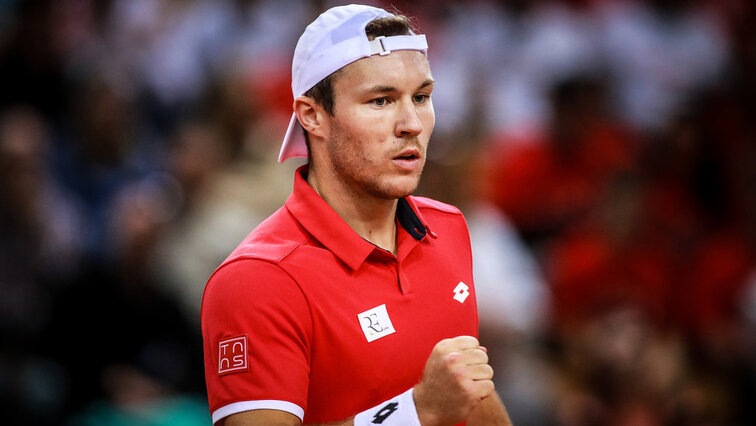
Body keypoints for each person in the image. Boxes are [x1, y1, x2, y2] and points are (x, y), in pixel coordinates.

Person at [201, 4, 513, 425]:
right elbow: (437, 404)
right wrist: (416, 412)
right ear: (312, 115)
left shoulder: (448, 226)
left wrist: (441, 403)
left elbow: (467, 395)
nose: (411, 124)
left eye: (421, 97)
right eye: (381, 100)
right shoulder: (256, 280)